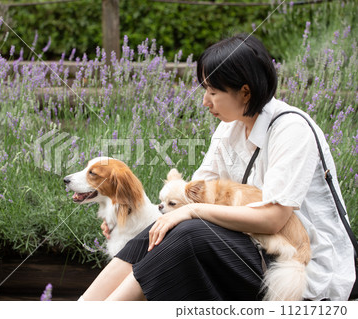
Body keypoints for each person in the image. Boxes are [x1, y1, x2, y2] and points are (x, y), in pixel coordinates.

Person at [79, 34, 355, 301]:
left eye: (212, 92)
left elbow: (273, 219)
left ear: (245, 92)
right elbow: (188, 197)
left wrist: (192, 210)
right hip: (254, 247)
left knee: (188, 233)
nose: (205, 101)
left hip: (299, 263)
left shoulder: (291, 129)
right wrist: (126, 215)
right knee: (158, 232)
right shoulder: (229, 129)